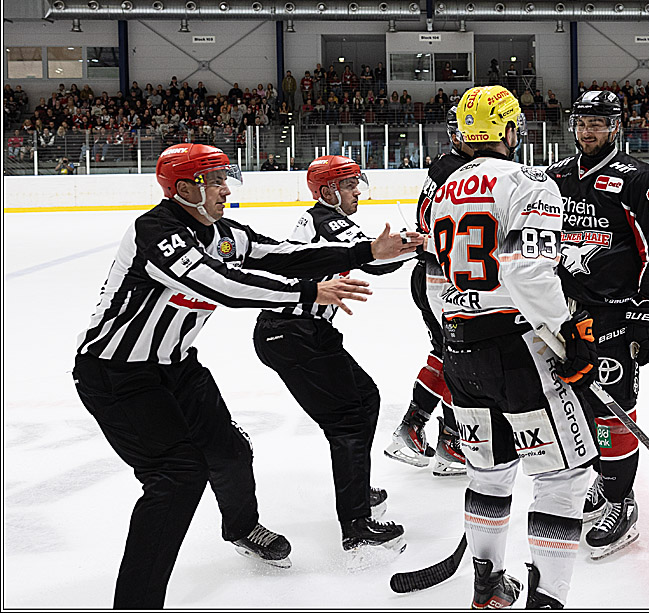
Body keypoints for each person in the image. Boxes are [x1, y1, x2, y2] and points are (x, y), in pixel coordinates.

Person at [72, 143, 415, 608]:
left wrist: (366, 249)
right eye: (214, 181)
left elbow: (282, 255)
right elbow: (223, 284)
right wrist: (309, 293)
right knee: (176, 478)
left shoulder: (224, 232)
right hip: (117, 374)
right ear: (184, 188)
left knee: (231, 449)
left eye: (222, 179)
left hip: (177, 366)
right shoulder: (157, 231)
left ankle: (239, 527)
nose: (224, 189)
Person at [430, 86, 601, 608]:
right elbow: (529, 270)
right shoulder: (530, 182)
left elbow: (438, 283)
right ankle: (545, 601)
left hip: (460, 346)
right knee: (563, 478)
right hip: (516, 350)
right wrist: (567, 328)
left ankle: (488, 586)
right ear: (508, 130)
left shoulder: (443, 189)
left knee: (489, 471)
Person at [253, 156, 422, 555]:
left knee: (365, 397)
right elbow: (374, 261)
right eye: (349, 186)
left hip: (305, 332)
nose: (357, 192)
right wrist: (419, 245)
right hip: (292, 335)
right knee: (347, 420)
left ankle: (357, 488)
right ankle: (357, 525)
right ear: (328, 191)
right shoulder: (329, 221)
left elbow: (369, 257)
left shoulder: (323, 219)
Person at [547, 91, 649, 560]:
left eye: (598, 124)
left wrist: (648, 308)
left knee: (614, 410)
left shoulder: (638, 178)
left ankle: (621, 501)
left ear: (616, 126)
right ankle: (606, 481)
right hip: (569, 313)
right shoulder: (557, 177)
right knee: (583, 404)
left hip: (615, 314)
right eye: (582, 123)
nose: (588, 131)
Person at [384, 106, 471, 477]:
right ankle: (445, 437)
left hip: (431, 272)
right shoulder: (457, 170)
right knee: (459, 358)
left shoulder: (445, 165)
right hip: (442, 276)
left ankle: (424, 429)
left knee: (448, 354)